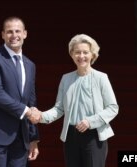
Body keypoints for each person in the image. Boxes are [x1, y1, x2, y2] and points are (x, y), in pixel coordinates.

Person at [29, 34, 119, 167]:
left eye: (85, 52)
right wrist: (41, 116)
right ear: (71, 54)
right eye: (77, 52)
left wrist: (90, 121)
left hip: (94, 136)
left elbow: (113, 108)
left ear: (92, 54)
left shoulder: (101, 78)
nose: (81, 56)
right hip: (71, 136)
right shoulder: (66, 79)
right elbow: (59, 109)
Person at [0, 16, 40, 167]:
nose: (14, 35)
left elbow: (31, 102)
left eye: (17, 31)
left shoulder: (29, 65)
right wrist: (27, 111)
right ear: (3, 35)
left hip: (21, 135)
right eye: (9, 32)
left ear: (25, 33)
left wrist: (33, 138)